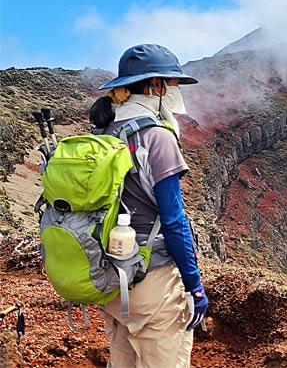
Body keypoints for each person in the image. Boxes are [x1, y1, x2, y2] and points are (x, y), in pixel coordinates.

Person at [89, 44, 207, 368]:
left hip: (112, 277)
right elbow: (173, 221)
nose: (174, 92)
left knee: (122, 360)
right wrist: (194, 285)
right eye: (171, 84)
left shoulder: (103, 132)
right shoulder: (156, 137)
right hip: (150, 281)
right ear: (155, 86)